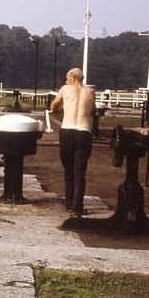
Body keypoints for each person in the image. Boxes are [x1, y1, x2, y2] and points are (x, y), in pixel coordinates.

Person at [51, 68, 96, 216]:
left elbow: (54, 104)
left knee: (68, 169)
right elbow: (93, 111)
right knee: (79, 171)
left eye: (67, 78)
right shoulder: (90, 92)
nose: (66, 81)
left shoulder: (65, 89)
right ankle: (77, 206)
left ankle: (69, 202)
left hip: (67, 131)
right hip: (83, 132)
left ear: (74, 78)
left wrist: (57, 109)